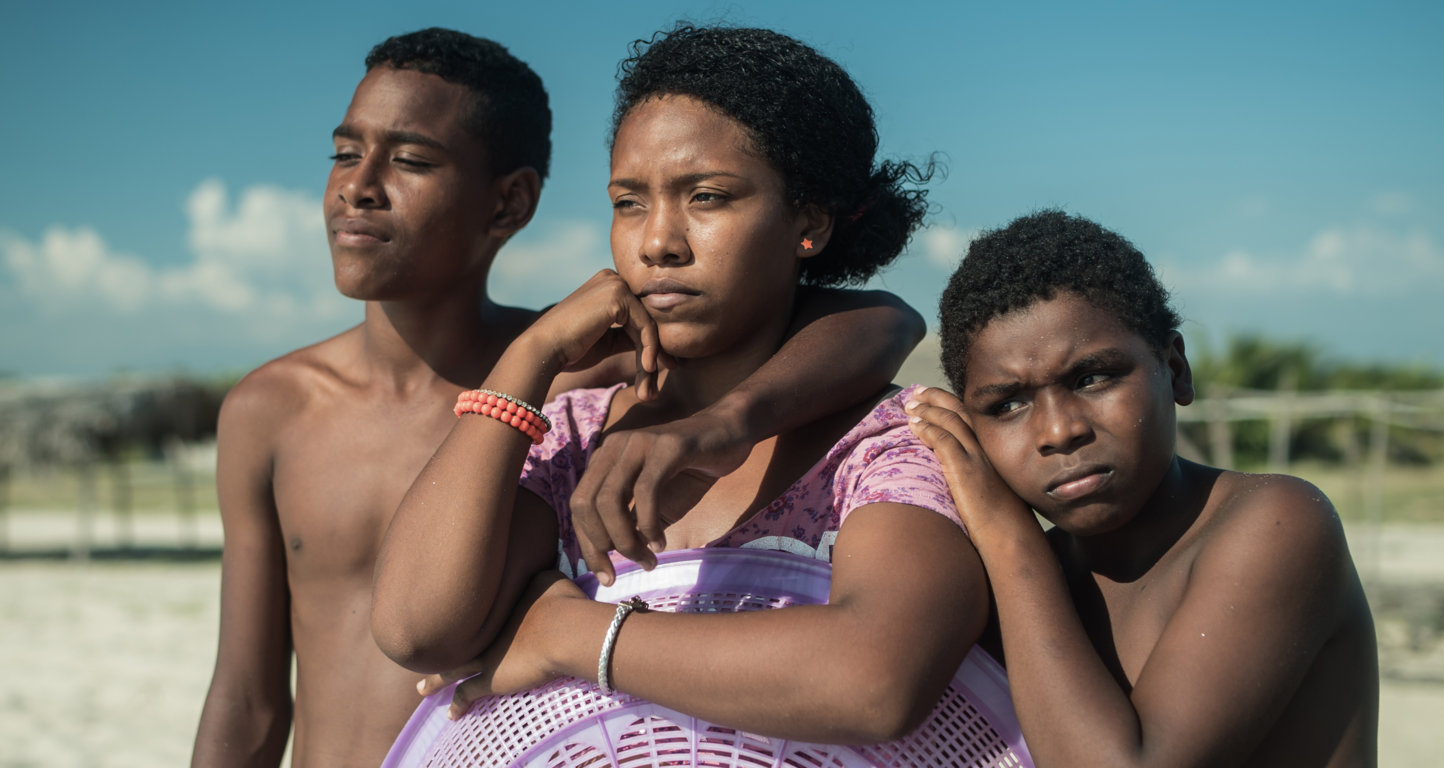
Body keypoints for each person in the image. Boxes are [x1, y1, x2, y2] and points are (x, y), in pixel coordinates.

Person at [191, 27, 928, 767]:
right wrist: (529, 354)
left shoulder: (601, 376)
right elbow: (260, 687)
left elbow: (880, 320)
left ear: (511, 201)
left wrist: (723, 422)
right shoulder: (284, 406)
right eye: (344, 153)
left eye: (411, 160)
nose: (358, 186)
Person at [370, 24, 991, 745]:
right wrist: (530, 354)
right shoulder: (575, 439)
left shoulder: (883, 445)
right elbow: (417, 630)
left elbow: (874, 682)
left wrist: (567, 633)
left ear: (810, 221)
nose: (658, 242)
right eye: (629, 202)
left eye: (708, 197)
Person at [905, 210, 1379, 766]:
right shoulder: (1030, 582)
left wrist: (1008, 538)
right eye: (1007, 405)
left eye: (1092, 377)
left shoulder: (1278, 522)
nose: (1058, 431)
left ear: (1175, 369)